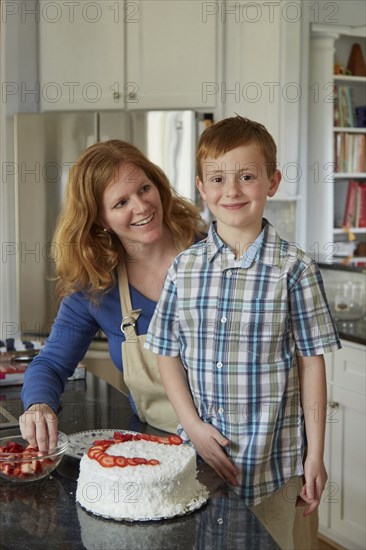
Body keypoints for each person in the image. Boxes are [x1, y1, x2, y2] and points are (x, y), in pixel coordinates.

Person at [145, 116, 341, 549]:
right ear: (201, 186)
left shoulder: (295, 269)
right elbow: (166, 353)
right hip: (198, 460)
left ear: (271, 182)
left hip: (272, 465)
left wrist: (316, 454)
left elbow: (312, 364)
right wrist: (191, 425)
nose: (231, 191)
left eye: (247, 176)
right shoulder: (184, 268)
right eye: (218, 178)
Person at [19, 140, 206, 451]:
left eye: (144, 189)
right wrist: (38, 405)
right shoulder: (96, 288)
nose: (142, 207)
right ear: (100, 219)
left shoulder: (214, 252)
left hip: (245, 445)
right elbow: (50, 363)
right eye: (121, 203)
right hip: (164, 450)